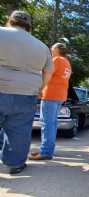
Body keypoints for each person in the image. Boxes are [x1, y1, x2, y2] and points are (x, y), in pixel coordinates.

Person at [0, 11, 53, 174]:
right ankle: (15, 164)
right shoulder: (42, 46)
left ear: (10, 21)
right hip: (26, 93)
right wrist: (39, 89)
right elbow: (48, 72)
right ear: (29, 27)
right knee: (19, 130)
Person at [29, 43, 72, 161]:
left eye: (52, 48)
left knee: (47, 124)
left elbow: (46, 74)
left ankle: (46, 152)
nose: (51, 50)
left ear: (57, 50)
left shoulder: (56, 59)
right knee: (51, 124)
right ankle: (47, 149)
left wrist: (40, 89)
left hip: (50, 95)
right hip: (60, 95)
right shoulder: (66, 62)